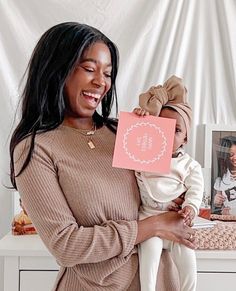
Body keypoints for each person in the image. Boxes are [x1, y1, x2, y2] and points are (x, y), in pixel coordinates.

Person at [9, 22, 195, 291]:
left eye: (107, 73)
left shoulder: (123, 132)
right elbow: (66, 245)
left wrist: (174, 200)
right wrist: (152, 226)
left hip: (161, 281)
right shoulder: (36, 148)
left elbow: (159, 188)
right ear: (56, 70)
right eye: (88, 69)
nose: (101, 82)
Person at [134, 76, 204, 291]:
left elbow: (196, 188)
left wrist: (190, 207)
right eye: (163, 127)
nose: (169, 134)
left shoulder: (189, 165)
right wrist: (141, 120)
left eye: (177, 130)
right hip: (149, 219)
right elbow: (130, 140)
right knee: (150, 257)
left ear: (185, 139)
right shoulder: (143, 155)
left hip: (176, 222)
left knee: (188, 258)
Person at [213, 136, 236, 215]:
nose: (235, 158)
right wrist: (217, 201)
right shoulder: (220, 180)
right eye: (231, 155)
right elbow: (217, 205)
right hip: (227, 221)